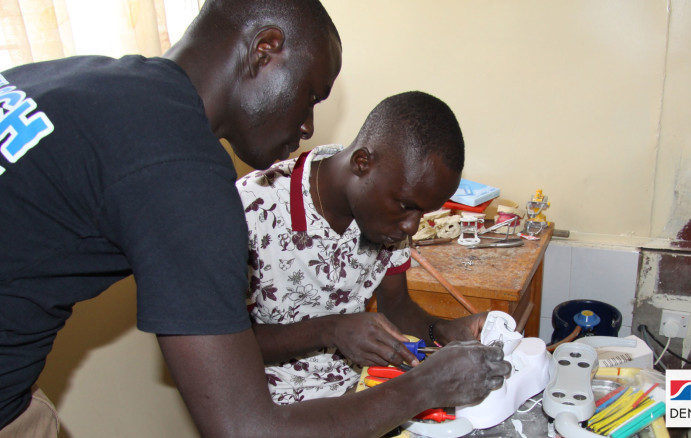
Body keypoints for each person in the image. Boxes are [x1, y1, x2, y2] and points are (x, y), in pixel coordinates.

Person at [0, 0, 510, 436]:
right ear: (264, 51)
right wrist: (422, 388)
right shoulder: (186, 178)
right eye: (310, 95)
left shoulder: (78, 80)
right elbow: (246, 428)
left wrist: (445, 333)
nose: (308, 124)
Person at [238, 91, 489, 404]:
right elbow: (228, 344)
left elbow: (395, 306)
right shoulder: (252, 207)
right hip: (274, 409)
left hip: (359, 393)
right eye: (407, 205)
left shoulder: (389, 218)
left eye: (422, 213)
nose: (412, 226)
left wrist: (441, 330)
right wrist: (331, 330)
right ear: (362, 163)